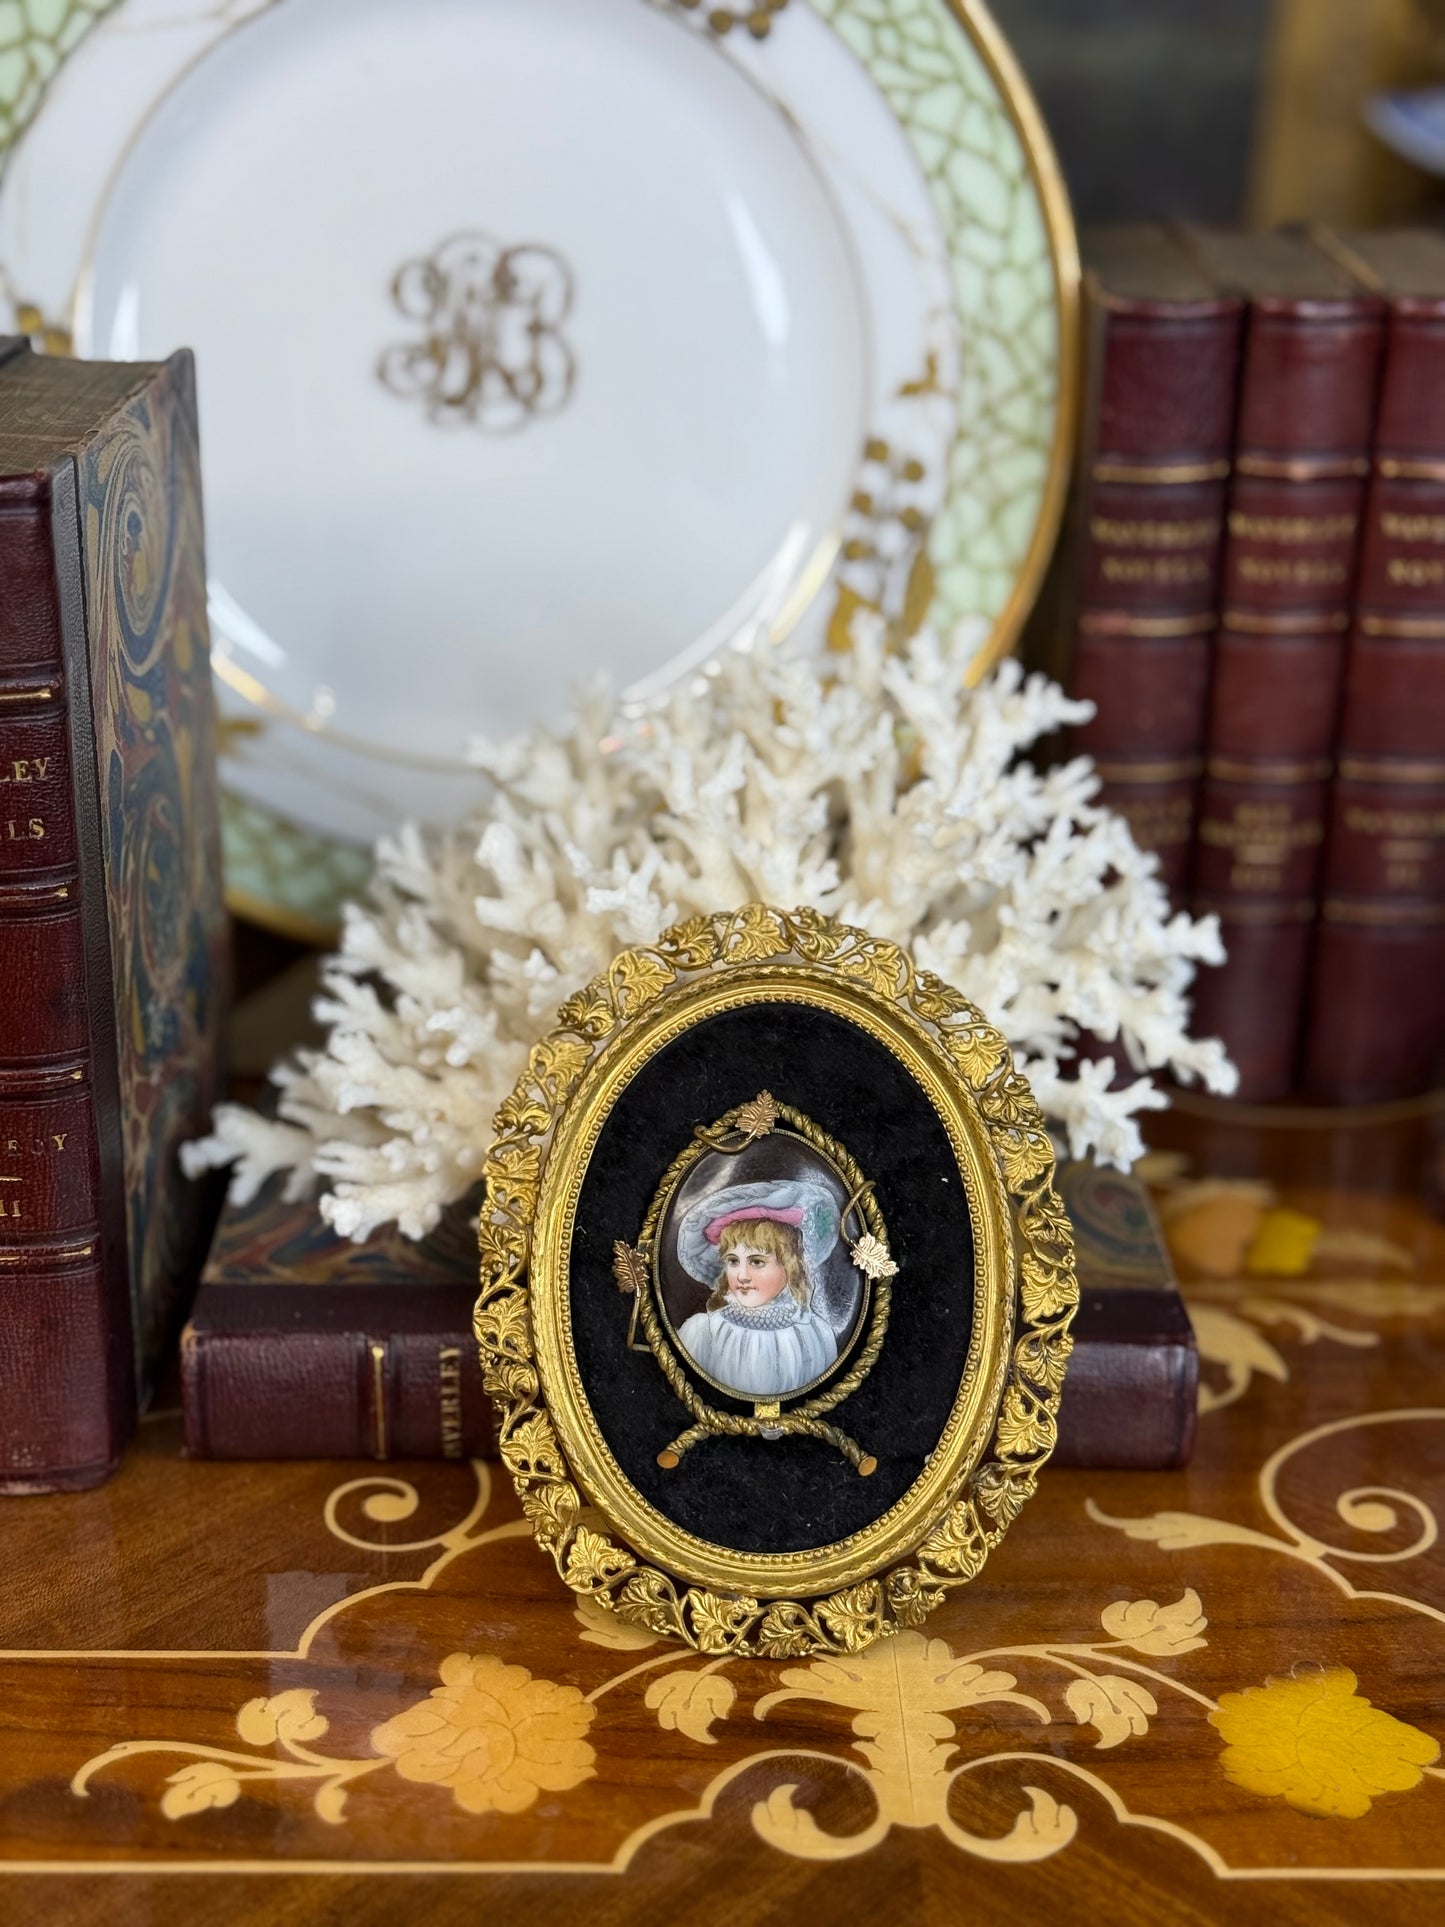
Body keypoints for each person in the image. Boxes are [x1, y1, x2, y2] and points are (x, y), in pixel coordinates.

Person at [673, 1181, 842, 1399]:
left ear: (791, 1266)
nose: (742, 1276)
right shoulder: (702, 1333)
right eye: (733, 1261)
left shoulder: (816, 1334)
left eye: (757, 1262)